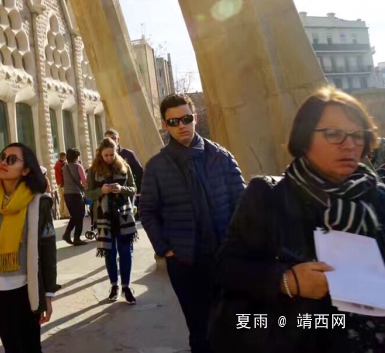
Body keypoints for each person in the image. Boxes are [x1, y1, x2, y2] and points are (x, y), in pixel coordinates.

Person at [211, 87, 385, 353]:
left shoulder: (377, 198)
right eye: (334, 134)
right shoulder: (268, 197)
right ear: (304, 139)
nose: (350, 144)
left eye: (357, 135)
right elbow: (226, 267)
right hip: (300, 338)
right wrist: (286, 281)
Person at [140, 93, 245, 353]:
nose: (181, 126)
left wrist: (239, 244)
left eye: (186, 119)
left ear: (195, 117)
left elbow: (243, 203)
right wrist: (166, 249)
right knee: (199, 331)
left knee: (231, 327)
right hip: (185, 261)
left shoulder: (221, 156)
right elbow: (147, 211)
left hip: (224, 258)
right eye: (173, 122)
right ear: (164, 125)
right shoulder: (156, 166)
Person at [0, 143, 57, 353]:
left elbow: (48, 252)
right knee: (11, 348)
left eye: (11, 160)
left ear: (26, 170)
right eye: (1, 157)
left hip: (26, 291)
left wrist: (48, 295)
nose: (2, 162)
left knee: (31, 348)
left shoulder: (38, 203)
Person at [86, 137, 138, 304]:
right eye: (106, 155)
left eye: (112, 154)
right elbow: (87, 194)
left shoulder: (124, 166)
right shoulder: (93, 170)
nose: (109, 158)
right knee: (109, 253)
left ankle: (126, 287)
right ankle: (114, 286)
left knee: (125, 252)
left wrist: (121, 189)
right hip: (104, 216)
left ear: (116, 153)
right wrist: (101, 191)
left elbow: (134, 189)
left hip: (123, 215)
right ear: (100, 154)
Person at [61, 148, 88, 245]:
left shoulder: (64, 167)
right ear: (77, 157)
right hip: (76, 193)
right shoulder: (78, 166)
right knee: (80, 215)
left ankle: (67, 233)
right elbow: (85, 182)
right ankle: (76, 237)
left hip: (67, 194)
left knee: (75, 215)